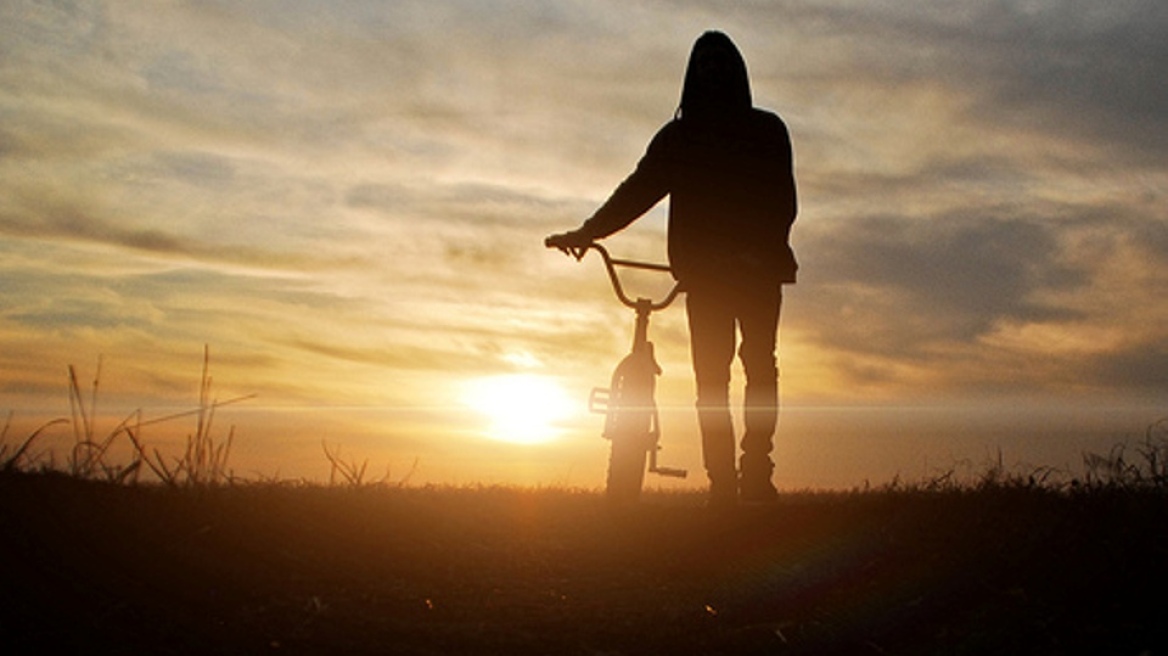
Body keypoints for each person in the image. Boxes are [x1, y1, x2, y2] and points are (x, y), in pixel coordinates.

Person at [546, 30, 798, 507]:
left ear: (736, 70)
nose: (712, 70)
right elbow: (637, 191)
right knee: (712, 380)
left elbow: (782, 202)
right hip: (705, 278)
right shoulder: (679, 138)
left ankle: (756, 471)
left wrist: (757, 250)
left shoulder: (767, 131)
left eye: (719, 61)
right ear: (692, 73)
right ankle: (722, 482)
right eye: (704, 62)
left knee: (759, 367)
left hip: (758, 273)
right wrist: (588, 232)